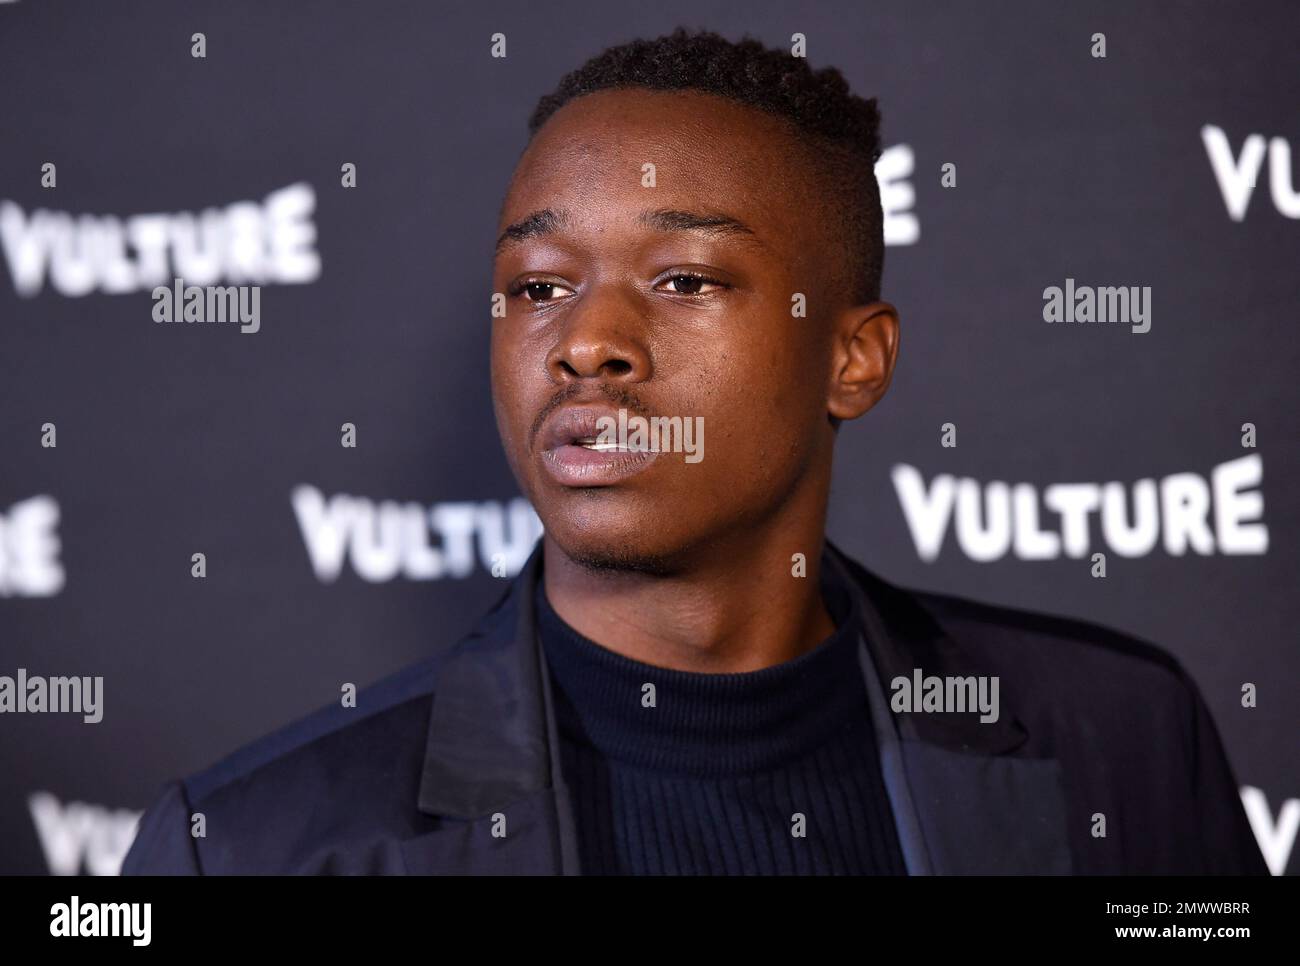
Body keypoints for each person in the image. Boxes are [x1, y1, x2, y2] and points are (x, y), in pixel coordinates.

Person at [122, 27, 1267, 876]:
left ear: (851, 360)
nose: (587, 344)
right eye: (537, 286)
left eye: (685, 281)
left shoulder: (1122, 740)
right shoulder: (248, 848)